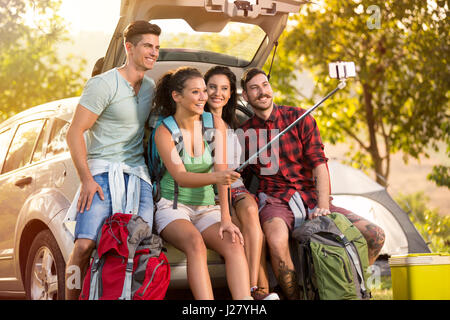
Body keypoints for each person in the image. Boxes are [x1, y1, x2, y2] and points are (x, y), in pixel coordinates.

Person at [239, 67, 386, 300]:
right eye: (254, 88)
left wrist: (323, 203)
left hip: (311, 197)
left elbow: (320, 164)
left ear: (271, 88)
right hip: (275, 201)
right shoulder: (243, 133)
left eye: (265, 85)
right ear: (245, 96)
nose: (262, 92)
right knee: (276, 242)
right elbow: (235, 175)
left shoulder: (299, 118)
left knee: (375, 235)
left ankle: (351, 285)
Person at [64, 20, 161, 300]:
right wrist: (86, 179)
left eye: (156, 47)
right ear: (129, 48)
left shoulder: (151, 87)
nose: (154, 52)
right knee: (84, 246)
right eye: (147, 46)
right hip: (101, 174)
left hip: (138, 176)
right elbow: (75, 132)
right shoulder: (102, 84)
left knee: (138, 246)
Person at [152, 66, 252, 300]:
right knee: (195, 244)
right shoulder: (164, 131)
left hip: (208, 207)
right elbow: (181, 177)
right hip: (174, 207)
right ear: (177, 96)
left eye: (203, 91)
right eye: (196, 92)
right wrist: (218, 177)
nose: (203, 97)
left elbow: (221, 171)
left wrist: (226, 219)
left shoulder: (214, 123)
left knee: (234, 243)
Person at [204, 66, 279, 300]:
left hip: (236, 187)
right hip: (212, 190)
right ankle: (258, 292)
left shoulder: (233, 123)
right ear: (203, 90)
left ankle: (253, 286)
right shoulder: (199, 120)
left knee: (250, 210)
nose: (218, 93)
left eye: (225, 88)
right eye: (212, 87)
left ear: (231, 93)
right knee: (240, 230)